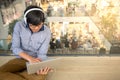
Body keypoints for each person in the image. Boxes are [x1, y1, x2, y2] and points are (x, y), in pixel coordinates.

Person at [0, 5, 51, 80]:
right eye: (32, 26)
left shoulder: (47, 32)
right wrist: (30, 59)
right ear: (26, 21)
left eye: (39, 25)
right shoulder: (19, 26)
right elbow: (15, 48)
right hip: (20, 59)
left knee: (41, 74)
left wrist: (40, 67)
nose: (36, 28)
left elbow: (42, 54)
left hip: (37, 61)